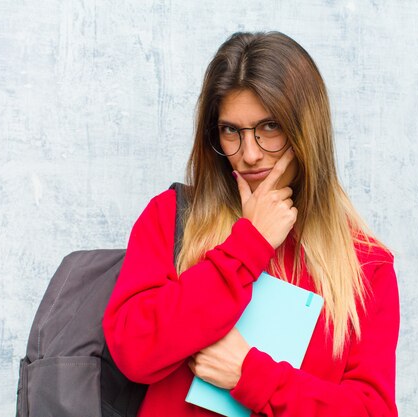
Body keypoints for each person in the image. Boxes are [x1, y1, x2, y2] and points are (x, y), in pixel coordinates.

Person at [102, 31, 400, 417]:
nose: (250, 154)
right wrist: (248, 246)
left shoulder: (366, 265)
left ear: (306, 130)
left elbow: (371, 411)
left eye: (270, 126)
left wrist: (251, 376)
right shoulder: (172, 216)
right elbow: (134, 352)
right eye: (231, 131)